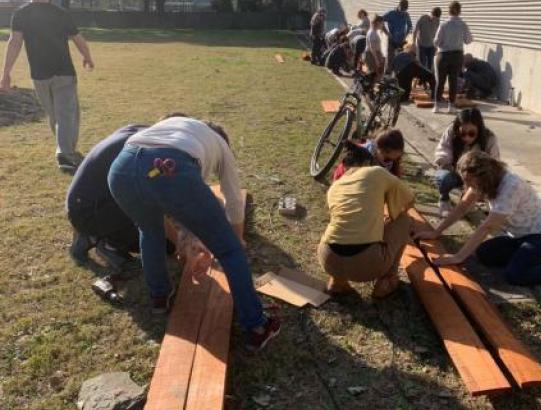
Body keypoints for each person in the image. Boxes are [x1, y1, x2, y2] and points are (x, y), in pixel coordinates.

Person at [107, 115, 280, 352]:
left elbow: (173, 199)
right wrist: (236, 238)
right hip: (166, 166)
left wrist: (190, 242)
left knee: (149, 230)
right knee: (230, 250)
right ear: (223, 140)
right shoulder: (220, 146)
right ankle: (257, 326)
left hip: (121, 169)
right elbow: (233, 199)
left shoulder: (178, 126)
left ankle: (159, 296)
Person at [414, 151, 541, 295]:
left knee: (515, 276)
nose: (469, 187)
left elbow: (487, 226)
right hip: (521, 237)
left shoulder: (510, 187)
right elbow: (462, 207)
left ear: (483, 177)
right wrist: (436, 232)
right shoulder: (484, 180)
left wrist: (458, 257)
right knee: (484, 253)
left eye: (470, 183)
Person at [1, 0, 95, 173]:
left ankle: (66, 152)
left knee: (56, 115)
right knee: (67, 114)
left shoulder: (21, 13)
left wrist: (6, 73)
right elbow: (78, 38)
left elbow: (15, 42)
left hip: (39, 74)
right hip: (64, 71)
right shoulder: (61, 13)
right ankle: (65, 153)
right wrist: (87, 56)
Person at [318, 141, 415, 299]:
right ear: (368, 163)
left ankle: (337, 281)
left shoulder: (334, 187)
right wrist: (391, 218)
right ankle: (387, 279)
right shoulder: (376, 172)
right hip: (365, 265)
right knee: (404, 221)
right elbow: (409, 200)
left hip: (328, 259)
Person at [67, 124, 149, 271]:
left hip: (81, 204)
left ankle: (90, 234)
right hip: (88, 211)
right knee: (159, 243)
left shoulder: (137, 129)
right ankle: (109, 244)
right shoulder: (146, 148)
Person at [433, 108, 499, 216]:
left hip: (477, 177)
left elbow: (495, 164)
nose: (467, 137)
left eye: (472, 133)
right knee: (444, 177)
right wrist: (448, 164)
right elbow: (442, 151)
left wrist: (480, 184)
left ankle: (468, 199)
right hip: (454, 171)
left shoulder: (489, 138)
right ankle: (444, 198)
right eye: (463, 133)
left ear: (479, 129)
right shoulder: (451, 131)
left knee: (467, 209)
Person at [433, 1, 472, 113]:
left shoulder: (443, 24)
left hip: (443, 55)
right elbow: (468, 40)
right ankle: (451, 106)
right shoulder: (463, 25)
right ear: (459, 11)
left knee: (440, 81)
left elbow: (436, 42)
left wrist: (442, 43)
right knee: (453, 81)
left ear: (448, 11)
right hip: (457, 55)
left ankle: (437, 106)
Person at [332, 128, 405, 181]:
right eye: (387, 159)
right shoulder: (359, 159)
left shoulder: (388, 161)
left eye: (397, 157)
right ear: (378, 149)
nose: (390, 162)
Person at [382, 0, 412, 74]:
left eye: (405, 10)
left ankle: (396, 77)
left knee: (399, 59)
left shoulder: (406, 14)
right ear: (399, 6)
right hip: (392, 40)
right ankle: (387, 76)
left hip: (401, 41)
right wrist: (387, 33)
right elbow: (380, 21)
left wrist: (406, 35)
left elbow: (410, 26)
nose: (403, 11)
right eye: (402, 9)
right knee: (390, 59)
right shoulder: (391, 13)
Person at [413, 7, 441, 72]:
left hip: (431, 46)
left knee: (430, 63)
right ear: (431, 14)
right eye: (433, 18)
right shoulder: (422, 18)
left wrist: (437, 46)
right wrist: (414, 43)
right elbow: (415, 31)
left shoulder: (437, 20)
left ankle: (428, 78)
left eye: (436, 18)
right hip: (422, 45)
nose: (435, 20)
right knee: (422, 63)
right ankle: (423, 79)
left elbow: (437, 34)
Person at [364, 15, 386, 80]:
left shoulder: (375, 32)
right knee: (373, 75)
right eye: (382, 23)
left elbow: (377, 46)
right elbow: (372, 48)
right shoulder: (372, 33)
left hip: (375, 54)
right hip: (371, 55)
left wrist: (381, 56)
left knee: (376, 74)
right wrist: (377, 60)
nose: (383, 25)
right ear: (378, 23)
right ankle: (365, 87)